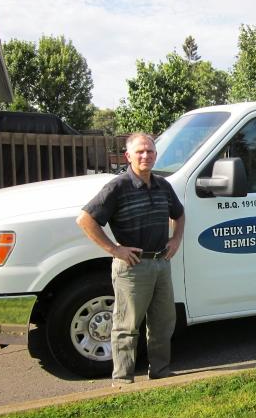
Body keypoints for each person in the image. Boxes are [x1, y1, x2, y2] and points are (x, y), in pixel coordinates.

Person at [76, 133, 185, 385]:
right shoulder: (117, 187)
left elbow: (179, 215)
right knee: (126, 327)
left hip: (160, 263)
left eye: (150, 151)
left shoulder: (163, 186)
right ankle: (123, 382)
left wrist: (176, 239)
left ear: (156, 155)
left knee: (163, 324)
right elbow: (85, 219)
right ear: (128, 156)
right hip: (132, 268)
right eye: (140, 152)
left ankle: (160, 374)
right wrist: (115, 249)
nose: (145, 156)